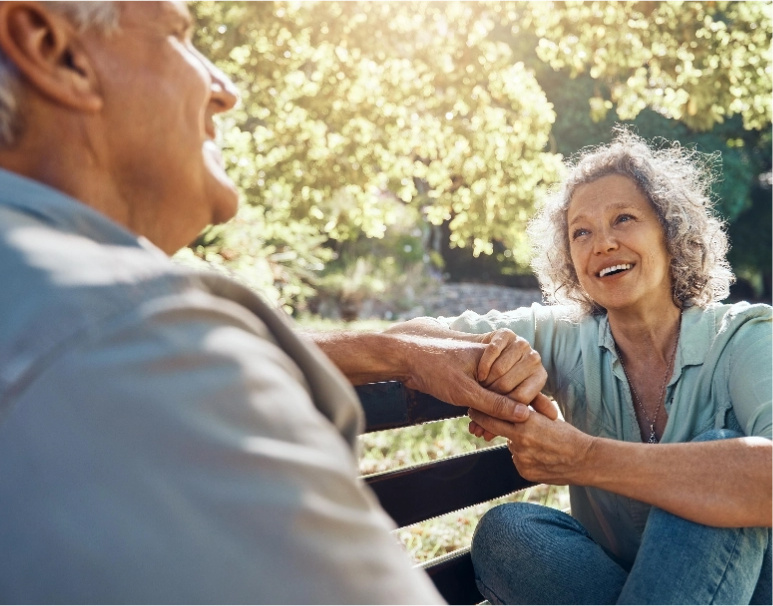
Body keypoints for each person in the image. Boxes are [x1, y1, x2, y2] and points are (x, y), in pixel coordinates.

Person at [0, 2, 548, 603]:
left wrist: (395, 350)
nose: (225, 90)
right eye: (179, 36)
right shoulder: (134, 337)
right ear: (56, 51)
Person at [394, 128, 772, 604]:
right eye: (582, 232)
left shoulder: (744, 336)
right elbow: (417, 337)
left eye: (624, 219)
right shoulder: (564, 335)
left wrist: (584, 457)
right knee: (510, 531)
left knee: (718, 470)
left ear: (671, 233)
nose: (603, 244)